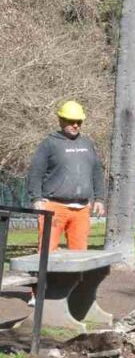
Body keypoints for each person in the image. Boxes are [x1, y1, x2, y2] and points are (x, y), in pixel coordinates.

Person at [27, 100, 106, 305]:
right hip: (53, 207)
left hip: (81, 209)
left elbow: (96, 172)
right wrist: (36, 198)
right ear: (61, 120)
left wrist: (99, 198)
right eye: (71, 121)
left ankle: (74, 295)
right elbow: (35, 172)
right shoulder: (49, 143)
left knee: (79, 255)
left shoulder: (87, 143)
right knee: (46, 252)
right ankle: (38, 293)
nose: (75, 125)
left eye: (79, 121)